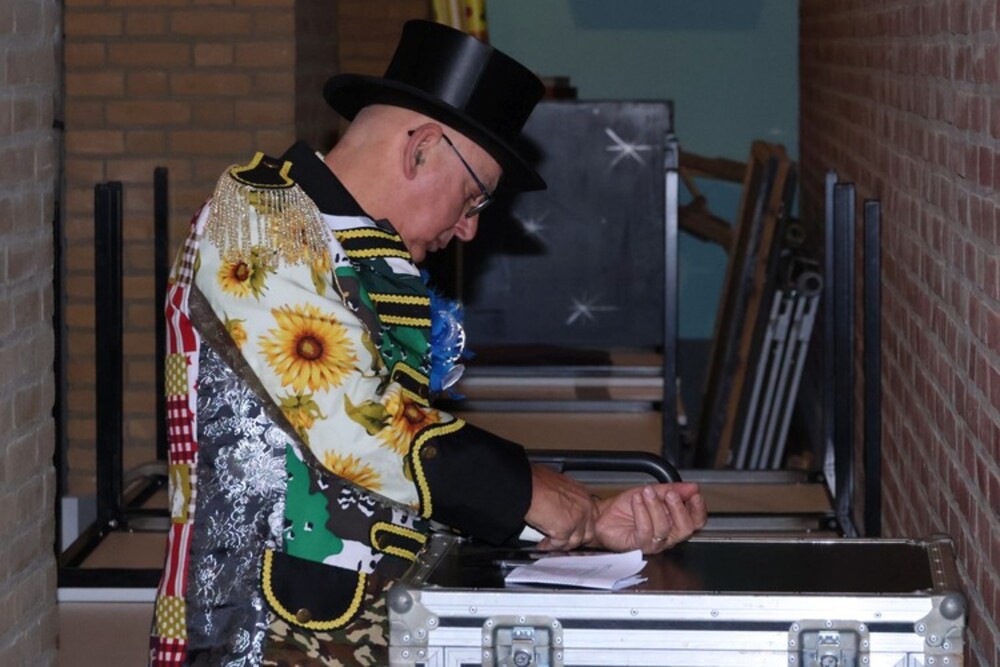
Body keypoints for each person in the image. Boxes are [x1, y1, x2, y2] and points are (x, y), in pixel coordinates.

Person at [149, 19, 706, 666]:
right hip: (249, 636)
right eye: (473, 198)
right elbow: (358, 425)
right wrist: (534, 491)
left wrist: (585, 520)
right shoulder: (254, 221)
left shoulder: (350, 248)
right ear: (420, 150)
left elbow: (407, 481)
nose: (469, 230)